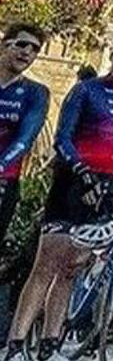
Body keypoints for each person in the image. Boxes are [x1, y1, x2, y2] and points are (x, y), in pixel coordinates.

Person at [1, 36, 113, 361]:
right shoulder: (86, 91)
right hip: (72, 184)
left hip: (107, 189)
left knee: (71, 270)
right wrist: (82, 171)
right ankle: (15, 350)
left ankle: (51, 348)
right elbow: (62, 138)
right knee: (46, 266)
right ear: (112, 55)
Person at [0, 24, 51, 252]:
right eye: (21, 44)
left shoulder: (36, 92)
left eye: (35, 49)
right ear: (5, 44)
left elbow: (25, 138)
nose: (27, 52)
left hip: (5, 180)